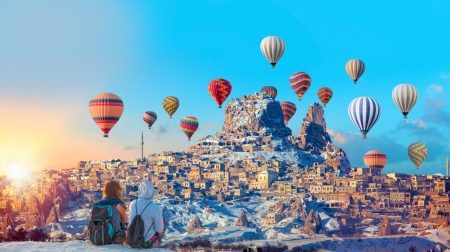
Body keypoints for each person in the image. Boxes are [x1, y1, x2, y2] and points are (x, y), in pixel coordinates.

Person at [128, 180, 165, 248]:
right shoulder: (155, 207)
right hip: (147, 243)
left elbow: (130, 223)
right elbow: (159, 229)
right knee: (163, 223)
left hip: (132, 240)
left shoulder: (132, 204)